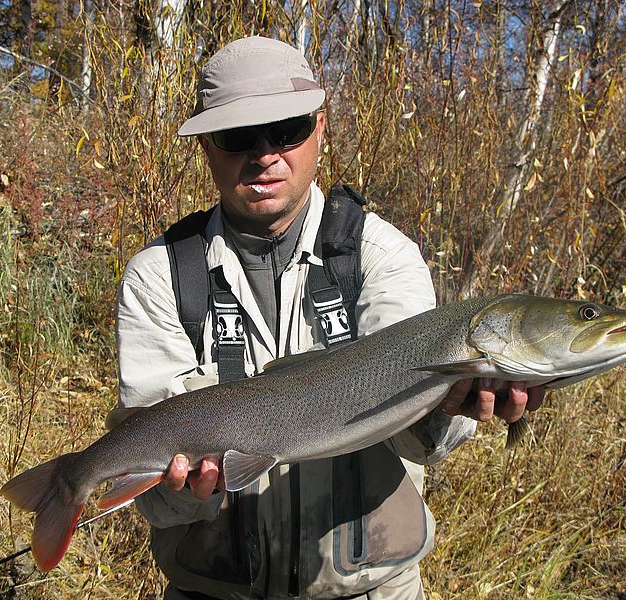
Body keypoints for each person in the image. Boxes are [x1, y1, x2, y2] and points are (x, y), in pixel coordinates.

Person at [113, 36, 544, 600]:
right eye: (238, 135)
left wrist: (454, 405)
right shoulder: (159, 275)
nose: (265, 153)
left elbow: (425, 444)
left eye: (287, 128)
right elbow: (155, 504)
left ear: (320, 127)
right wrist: (186, 491)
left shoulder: (381, 256)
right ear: (207, 148)